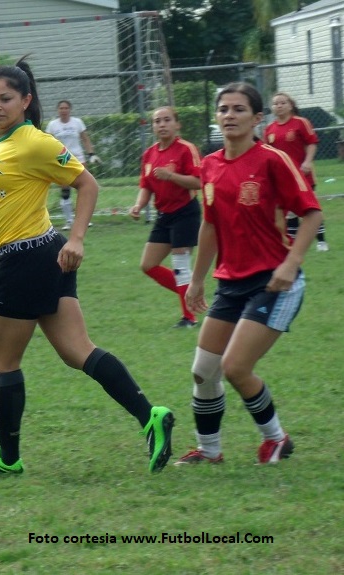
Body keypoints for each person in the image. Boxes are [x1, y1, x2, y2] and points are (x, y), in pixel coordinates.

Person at [0, 56, 175, 475]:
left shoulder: (35, 142)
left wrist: (78, 237)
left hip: (24, 259)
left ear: (25, 100)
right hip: (43, 254)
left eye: (5, 98)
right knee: (77, 351)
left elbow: (87, 184)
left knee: (3, 359)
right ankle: (150, 416)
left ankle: (8, 459)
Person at [175, 83, 322, 466]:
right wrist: (197, 278)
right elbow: (209, 225)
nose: (229, 115)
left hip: (274, 281)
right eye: (223, 109)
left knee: (236, 367)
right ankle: (210, 451)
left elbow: (311, 213)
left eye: (239, 109)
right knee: (203, 372)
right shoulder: (209, 165)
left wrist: (291, 264)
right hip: (231, 283)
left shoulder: (272, 160)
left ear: (258, 119)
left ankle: (276, 439)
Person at [130, 107, 203, 328]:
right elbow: (146, 186)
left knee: (180, 264)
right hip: (164, 215)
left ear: (177, 124)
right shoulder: (149, 154)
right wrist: (138, 205)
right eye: (157, 121)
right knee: (148, 265)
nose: (162, 125)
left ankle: (189, 318)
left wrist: (171, 176)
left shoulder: (186, 149)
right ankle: (191, 291)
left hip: (185, 212)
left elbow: (199, 182)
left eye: (167, 120)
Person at [264, 91, 329, 252]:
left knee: (310, 209)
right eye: (275, 103)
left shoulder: (301, 123)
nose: (279, 106)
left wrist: (308, 162)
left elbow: (312, 143)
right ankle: (292, 245)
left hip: (302, 175)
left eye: (282, 103)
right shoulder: (269, 129)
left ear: (290, 105)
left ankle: (321, 241)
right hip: (283, 178)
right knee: (289, 213)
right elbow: (267, 153)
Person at [45, 100, 101, 230]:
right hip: (62, 157)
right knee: (65, 190)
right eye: (61, 108)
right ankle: (69, 221)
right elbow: (47, 143)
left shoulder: (77, 122)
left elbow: (85, 139)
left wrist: (92, 154)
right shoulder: (53, 125)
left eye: (66, 108)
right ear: (57, 110)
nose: (63, 110)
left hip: (78, 157)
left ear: (70, 109)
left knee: (84, 188)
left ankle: (85, 220)